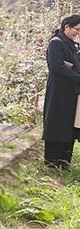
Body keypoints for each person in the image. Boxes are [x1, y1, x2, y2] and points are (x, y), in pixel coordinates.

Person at [42, 14, 80, 169]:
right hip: (58, 91)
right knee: (56, 123)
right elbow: (56, 66)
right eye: (76, 29)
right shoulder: (56, 43)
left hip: (70, 91)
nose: (77, 33)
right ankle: (52, 161)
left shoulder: (71, 44)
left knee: (67, 125)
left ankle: (64, 162)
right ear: (67, 27)